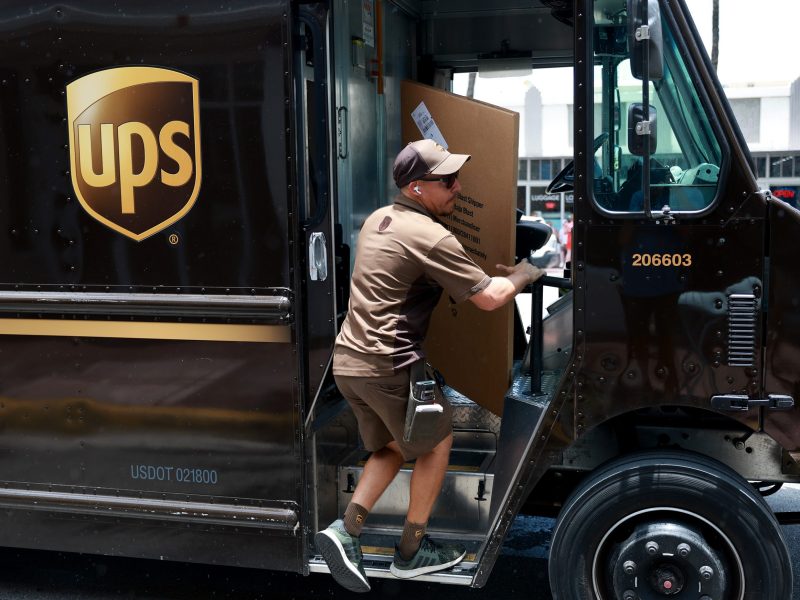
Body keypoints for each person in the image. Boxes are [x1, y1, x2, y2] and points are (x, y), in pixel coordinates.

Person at [314, 139, 543, 593]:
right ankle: (412, 551)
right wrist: (523, 274)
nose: (457, 187)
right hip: (388, 364)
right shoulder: (429, 234)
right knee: (437, 443)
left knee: (394, 448)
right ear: (417, 187)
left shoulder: (379, 220)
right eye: (447, 180)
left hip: (350, 362)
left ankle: (345, 532)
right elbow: (490, 298)